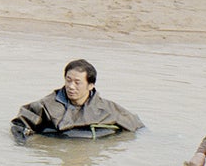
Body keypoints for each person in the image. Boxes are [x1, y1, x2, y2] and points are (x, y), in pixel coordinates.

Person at [12, 58, 141, 139]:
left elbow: (137, 128)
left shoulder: (107, 109)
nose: (71, 87)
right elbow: (19, 125)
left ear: (90, 85)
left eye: (77, 82)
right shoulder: (46, 106)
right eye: (68, 80)